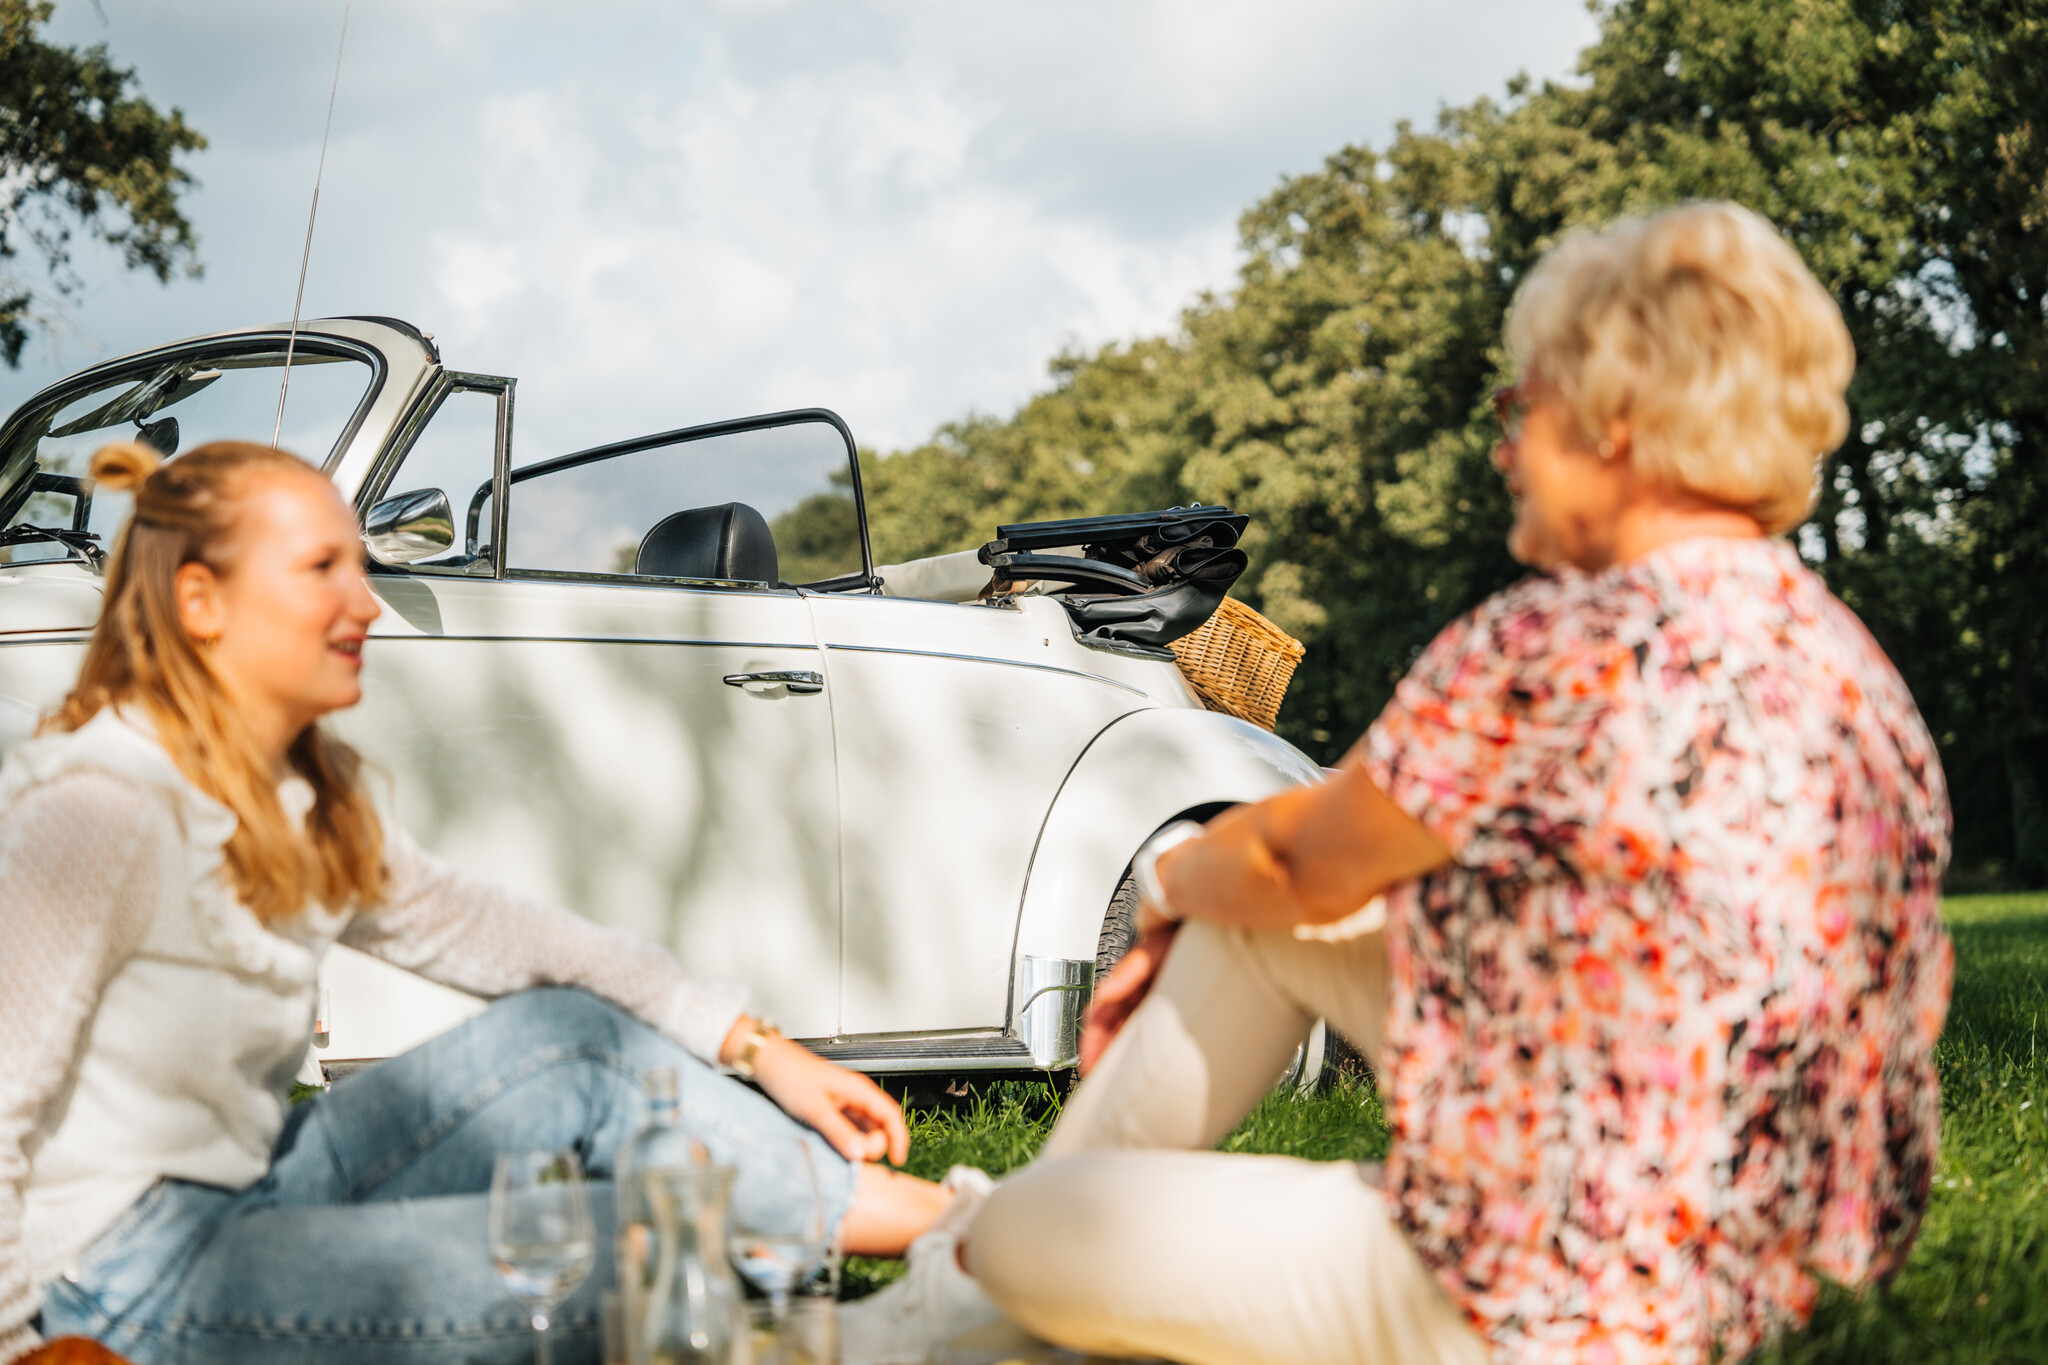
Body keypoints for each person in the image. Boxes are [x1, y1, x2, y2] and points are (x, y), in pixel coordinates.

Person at [856, 201, 1955, 1365]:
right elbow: (1321, 885)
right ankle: (988, 1312)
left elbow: (1290, 856)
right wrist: (1231, 899)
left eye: (1519, 407)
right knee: (1270, 930)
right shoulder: (1849, 667)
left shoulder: (1557, 640)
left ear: (1616, 420)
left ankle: (969, 1275)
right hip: (1785, 1270)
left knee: (1020, 1228)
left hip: (1550, 1301)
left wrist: (1171, 885)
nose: (1499, 448)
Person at [0, 439, 965, 1365]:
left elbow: (517, 938)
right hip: (120, 1280)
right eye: (322, 569)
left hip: (257, 1180)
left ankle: (968, 1234)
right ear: (199, 600)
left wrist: (759, 1048)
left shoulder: (298, 797)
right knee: (624, 1250)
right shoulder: (100, 805)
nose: (367, 603)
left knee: (574, 1038)